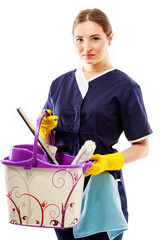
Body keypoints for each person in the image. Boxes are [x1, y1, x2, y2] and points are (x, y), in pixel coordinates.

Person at [40, 8, 152, 240]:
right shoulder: (59, 84)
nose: (86, 47)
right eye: (79, 39)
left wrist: (109, 161)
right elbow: (47, 145)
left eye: (95, 39)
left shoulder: (125, 88)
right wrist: (44, 132)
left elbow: (143, 146)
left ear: (110, 38)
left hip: (101, 190)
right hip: (61, 190)